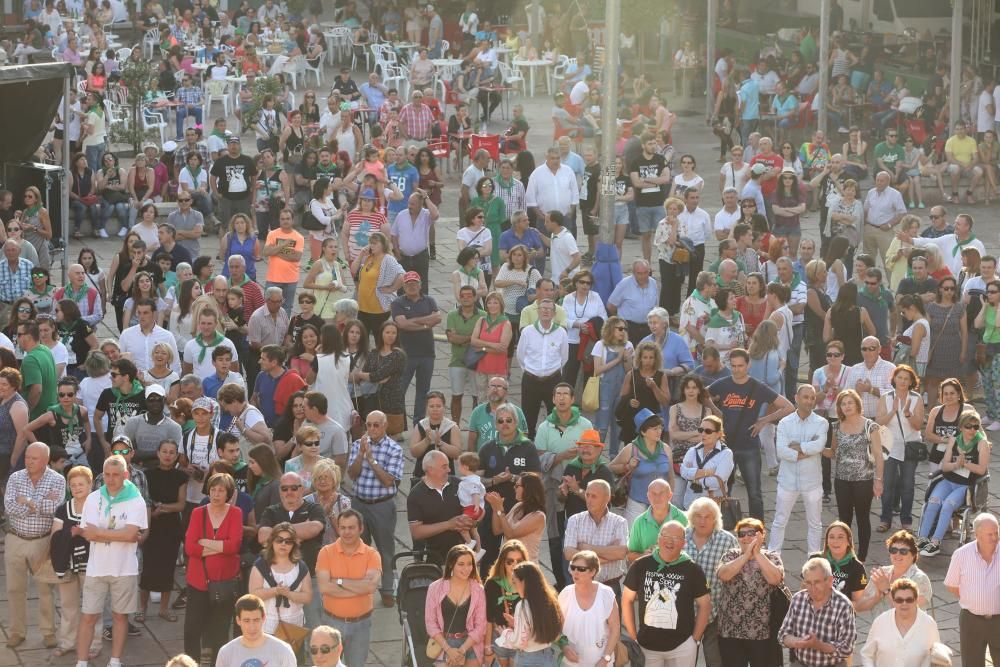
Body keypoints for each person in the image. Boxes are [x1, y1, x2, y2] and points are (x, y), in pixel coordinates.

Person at [74, 454, 148, 667]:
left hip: (124, 569)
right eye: (106, 474)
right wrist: (119, 534)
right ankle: (81, 662)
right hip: (96, 568)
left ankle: (115, 661)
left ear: (126, 475)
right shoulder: (93, 497)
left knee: (120, 617)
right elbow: (88, 534)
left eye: (116, 475)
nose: (110, 479)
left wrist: (102, 533)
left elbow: (132, 535)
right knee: (88, 616)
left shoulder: (136, 499)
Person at [708, 349, 794, 519]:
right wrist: (715, 411)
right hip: (726, 446)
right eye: (733, 366)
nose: (736, 370)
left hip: (749, 446)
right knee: (723, 490)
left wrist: (764, 420)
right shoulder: (723, 383)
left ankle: (757, 530)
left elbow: (788, 407)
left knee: (754, 492)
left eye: (740, 366)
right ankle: (725, 528)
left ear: (748, 365)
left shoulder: (757, 386)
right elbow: (702, 394)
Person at [622, 521, 711, 667]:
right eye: (666, 536)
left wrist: (694, 640)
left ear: (683, 543)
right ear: (658, 538)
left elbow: (705, 605)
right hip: (646, 645)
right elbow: (627, 600)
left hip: (682, 646)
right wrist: (633, 637)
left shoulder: (693, 569)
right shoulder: (640, 565)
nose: (670, 541)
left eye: (676, 538)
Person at [4, 441, 64, 650]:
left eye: (34, 458)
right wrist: (38, 502)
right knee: (14, 589)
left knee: (46, 589)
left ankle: (48, 633)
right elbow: (9, 507)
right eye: (28, 457)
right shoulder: (15, 477)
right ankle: (17, 632)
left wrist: (27, 501)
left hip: (43, 540)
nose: (28, 461)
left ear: (46, 460)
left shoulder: (58, 480)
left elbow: (54, 508)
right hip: (15, 539)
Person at [183, 471, 242, 663]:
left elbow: (234, 547)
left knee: (220, 631)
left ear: (229, 493)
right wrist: (221, 546)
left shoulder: (235, 513)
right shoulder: (198, 512)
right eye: (213, 490)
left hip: (224, 581)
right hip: (198, 580)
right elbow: (191, 547)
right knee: (192, 629)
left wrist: (205, 542)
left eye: (221, 490)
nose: (216, 494)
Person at [347, 410, 403, 605]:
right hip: (359, 504)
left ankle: (388, 591)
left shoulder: (393, 449)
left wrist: (372, 459)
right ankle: (360, 590)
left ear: (385, 426)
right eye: (368, 425)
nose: (371, 429)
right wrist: (361, 456)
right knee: (357, 549)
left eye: (376, 425)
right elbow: (352, 474)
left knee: (385, 551)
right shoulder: (357, 445)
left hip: (382, 505)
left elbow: (389, 481)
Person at [917, 409, 990, 557]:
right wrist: (957, 464)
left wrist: (965, 464)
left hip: (966, 485)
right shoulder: (954, 439)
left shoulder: (982, 443)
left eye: (976, 427)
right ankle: (922, 539)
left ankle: (936, 542)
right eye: (969, 426)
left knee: (948, 505)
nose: (972, 430)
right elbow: (944, 466)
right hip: (949, 481)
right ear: (961, 427)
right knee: (933, 501)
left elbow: (982, 470)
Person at [314, 510, 381, 667]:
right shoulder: (325, 552)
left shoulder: (372, 555)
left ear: (361, 528)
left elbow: (370, 587)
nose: (346, 532)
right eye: (343, 527)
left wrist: (338, 581)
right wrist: (358, 587)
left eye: (351, 527)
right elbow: (324, 588)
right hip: (331, 622)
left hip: (361, 625)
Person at [716, 518, 785, 667]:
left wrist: (758, 554)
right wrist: (746, 555)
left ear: (762, 535)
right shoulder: (731, 555)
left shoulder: (772, 556)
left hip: (762, 632)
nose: (746, 537)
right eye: (741, 534)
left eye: (751, 533)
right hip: (730, 631)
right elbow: (723, 575)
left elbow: (775, 579)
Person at [770, 385, 829, 554]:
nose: (810, 401)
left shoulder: (822, 422)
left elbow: (819, 446)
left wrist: (796, 447)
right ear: (796, 398)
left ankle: (814, 557)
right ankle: (774, 556)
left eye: (812, 398)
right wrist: (805, 452)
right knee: (779, 520)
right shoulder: (784, 422)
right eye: (806, 397)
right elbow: (781, 451)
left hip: (812, 482)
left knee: (815, 523)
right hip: (787, 481)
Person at [777, 557, 857, 667]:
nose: (812, 588)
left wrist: (819, 645)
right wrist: (799, 642)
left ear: (830, 580)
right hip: (800, 663)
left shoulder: (843, 605)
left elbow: (847, 648)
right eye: (808, 583)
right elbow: (783, 635)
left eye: (817, 582)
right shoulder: (798, 599)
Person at [874, 365, 924, 533]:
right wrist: (893, 411)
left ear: (911, 382)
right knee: (887, 484)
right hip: (889, 447)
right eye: (900, 377)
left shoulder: (916, 398)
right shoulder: (885, 398)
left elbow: (918, 426)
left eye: (906, 379)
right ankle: (885, 519)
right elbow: (878, 422)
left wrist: (908, 413)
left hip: (910, 446)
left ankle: (906, 520)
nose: (902, 381)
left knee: (907, 485)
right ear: (894, 379)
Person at [424, 544, 488, 666]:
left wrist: (462, 649)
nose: (467, 568)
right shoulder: (435, 588)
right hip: (443, 643)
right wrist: (449, 650)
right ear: (450, 564)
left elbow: (481, 626)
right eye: (461, 564)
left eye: (470, 564)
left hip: (470, 643)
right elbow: (430, 624)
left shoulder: (478, 589)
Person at [392, 271, 442, 424]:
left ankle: (418, 422)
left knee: (423, 391)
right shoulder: (398, 303)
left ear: (420, 285)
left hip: (427, 353)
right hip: (405, 354)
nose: (411, 286)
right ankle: (400, 424)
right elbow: (402, 324)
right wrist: (426, 324)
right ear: (404, 286)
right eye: (408, 284)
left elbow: (438, 318)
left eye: (414, 283)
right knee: (400, 391)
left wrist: (413, 322)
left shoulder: (429, 300)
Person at [609, 407, 674, 523]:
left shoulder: (666, 448)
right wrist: (627, 467)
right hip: (636, 505)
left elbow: (671, 476)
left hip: (661, 503)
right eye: (655, 429)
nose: (659, 431)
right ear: (643, 432)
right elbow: (611, 467)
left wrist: (670, 499)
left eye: (660, 428)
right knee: (633, 539)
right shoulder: (631, 449)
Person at [248, 521, 313, 635]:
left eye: (288, 541)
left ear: (293, 545)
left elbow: (307, 597)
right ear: (272, 541)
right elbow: (253, 595)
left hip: (294, 628)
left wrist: (289, 594)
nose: (283, 544)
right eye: (279, 540)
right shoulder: (261, 565)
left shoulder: (301, 567)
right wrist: (275, 591)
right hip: (266, 627)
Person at [558, 550, 621, 667]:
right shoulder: (565, 594)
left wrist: (605, 659)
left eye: (581, 569)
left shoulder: (606, 594)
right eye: (573, 567)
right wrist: (564, 647)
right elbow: (557, 627)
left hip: (601, 663)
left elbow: (615, 629)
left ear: (593, 571)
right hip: (571, 664)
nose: (575, 572)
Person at [860, 578, 940, 667]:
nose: (904, 603)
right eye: (899, 600)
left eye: (909, 600)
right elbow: (867, 654)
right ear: (893, 601)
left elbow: (938, 656)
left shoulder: (928, 624)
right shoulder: (880, 621)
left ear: (916, 600)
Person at [498, 561, 563, 667]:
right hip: (548, 657)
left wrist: (505, 634)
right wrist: (517, 623)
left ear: (524, 582)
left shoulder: (523, 606)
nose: (513, 587)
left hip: (528, 660)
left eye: (515, 582)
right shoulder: (550, 600)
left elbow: (519, 642)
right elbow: (544, 627)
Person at [856, 531, 933, 613]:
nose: (897, 554)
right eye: (893, 550)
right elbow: (859, 607)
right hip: (880, 625)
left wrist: (887, 590)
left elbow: (908, 611)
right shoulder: (882, 573)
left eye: (903, 551)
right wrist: (876, 597)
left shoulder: (920, 579)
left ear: (913, 555)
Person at [215, 594, 297, 667]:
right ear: (238, 620)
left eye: (256, 620)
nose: (252, 627)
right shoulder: (226, 652)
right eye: (246, 621)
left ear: (264, 618)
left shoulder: (283, 651)